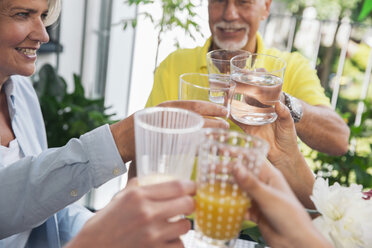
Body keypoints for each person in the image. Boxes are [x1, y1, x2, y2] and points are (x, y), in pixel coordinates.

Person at [0, 0, 228, 247]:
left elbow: (44, 212)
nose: (43, 34)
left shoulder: (21, 91)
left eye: (43, 15)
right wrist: (118, 141)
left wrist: (114, 226)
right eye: (22, 15)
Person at [145, 0, 350, 156]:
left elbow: (339, 140)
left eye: (243, 1)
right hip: (184, 206)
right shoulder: (175, 64)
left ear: (266, 7)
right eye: (219, 0)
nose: (230, 14)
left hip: (259, 211)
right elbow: (146, 143)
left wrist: (282, 102)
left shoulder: (291, 66)